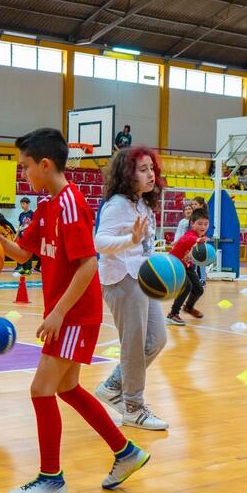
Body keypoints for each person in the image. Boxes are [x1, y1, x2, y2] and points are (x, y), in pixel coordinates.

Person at [0, 129, 152, 493]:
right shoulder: (48, 206)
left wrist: (59, 313)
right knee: (66, 388)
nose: (24, 174)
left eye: (26, 167)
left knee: (40, 390)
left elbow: (87, 265)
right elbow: (20, 253)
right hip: (67, 315)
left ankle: (51, 478)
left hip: (76, 314)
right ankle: (126, 453)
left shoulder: (69, 203)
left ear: (45, 165)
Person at [90, 145, 169, 431]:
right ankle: (133, 408)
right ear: (128, 173)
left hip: (144, 279)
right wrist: (129, 242)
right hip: (121, 279)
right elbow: (99, 243)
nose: (151, 175)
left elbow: (144, 246)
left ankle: (112, 386)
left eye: (152, 169)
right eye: (143, 169)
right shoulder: (117, 205)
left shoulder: (143, 203)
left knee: (157, 339)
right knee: (133, 346)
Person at [167, 209, 209, 326]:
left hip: (188, 266)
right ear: (192, 224)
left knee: (198, 289)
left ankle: (189, 307)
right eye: (200, 223)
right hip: (175, 264)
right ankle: (172, 314)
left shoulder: (201, 236)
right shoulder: (191, 235)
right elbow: (188, 239)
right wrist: (198, 240)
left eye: (206, 224)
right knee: (187, 287)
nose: (203, 226)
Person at [15, 196, 37, 274]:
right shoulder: (21, 215)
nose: (22, 205)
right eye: (21, 204)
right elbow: (19, 226)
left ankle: (28, 268)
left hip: (29, 236)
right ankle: (22, 268)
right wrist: (16, 236)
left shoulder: (32, 213)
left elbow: (34, 224)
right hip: (21, 236)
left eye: (23, 203)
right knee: (21, 251)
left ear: (28, 204)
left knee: (28, 252)